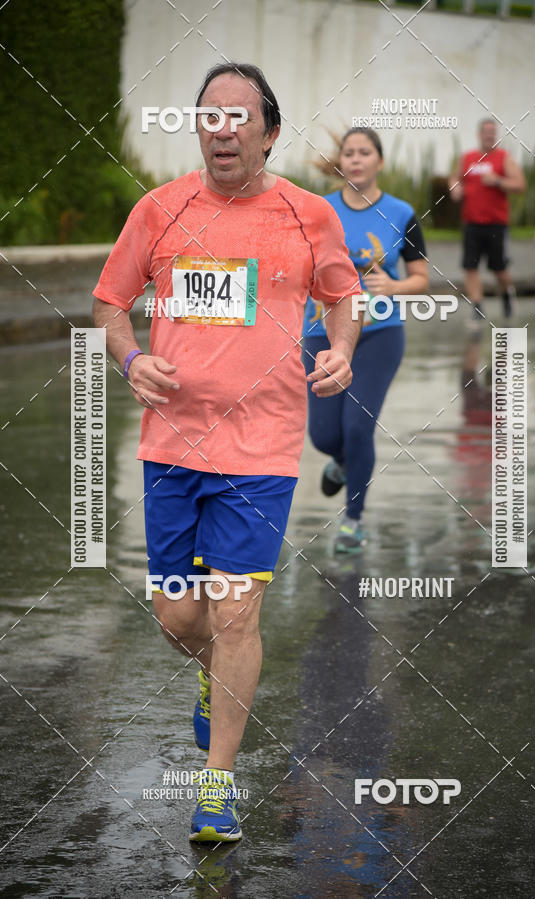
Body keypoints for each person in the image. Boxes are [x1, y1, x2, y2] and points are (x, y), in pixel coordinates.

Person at [92, 63, 361, 842]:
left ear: (269, 134)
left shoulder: (308, 215)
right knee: (180, 614)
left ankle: (217, 785)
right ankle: (214, 674)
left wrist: (341, 349)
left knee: (236, 611)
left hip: (262, 450)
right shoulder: (159, 208)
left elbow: (343, 296)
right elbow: (110, 302)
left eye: (239, 118)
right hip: (172, 445)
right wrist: (131, 357)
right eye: (210, 116)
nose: (223, 131)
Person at [302, 127, 429, 553]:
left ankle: (352, 522)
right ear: (340, 162)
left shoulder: (401, 213)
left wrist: (395, 286)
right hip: (320, 330)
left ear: (379, 161)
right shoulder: (319, 210)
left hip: (379, 332)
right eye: (349, 153)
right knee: (323, 436)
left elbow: (421, 278)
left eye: (364, 152)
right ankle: (342, 464)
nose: (356, 159)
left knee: (358, 428)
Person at [449, 118, 525, 320]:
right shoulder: (467, 158)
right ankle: (477, 306)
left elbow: (520, 184)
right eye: (486, 132)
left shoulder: (503, 158)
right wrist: (455, 188)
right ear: (479, 134)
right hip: (471, 223)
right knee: (470, 267)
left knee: (499, 269)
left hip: (496, 224)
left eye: (493, 132)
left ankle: (507, 295)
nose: (489, 136)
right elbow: (455, 178)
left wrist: (498, 181)